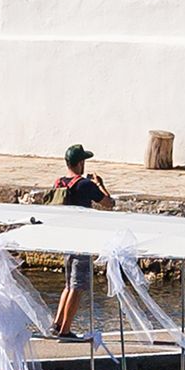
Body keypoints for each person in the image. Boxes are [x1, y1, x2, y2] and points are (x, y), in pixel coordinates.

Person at [48, 143, 111, 337]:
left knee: (68, 284)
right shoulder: (85, 185)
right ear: (80, 162)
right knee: (77, 286)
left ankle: (57, 324)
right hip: (82, 240)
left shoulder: (59, 183)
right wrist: (100, 184)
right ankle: (66, 330)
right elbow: (109, 203)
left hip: (65, 238)